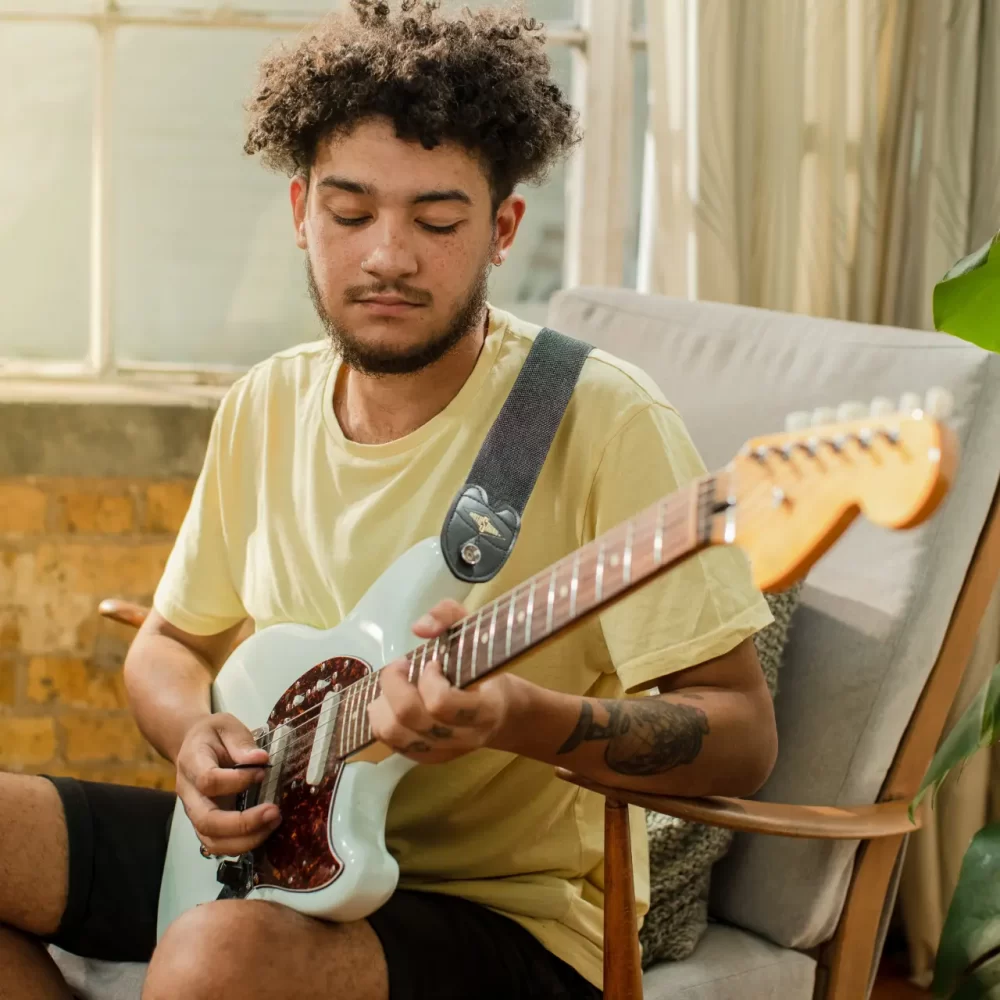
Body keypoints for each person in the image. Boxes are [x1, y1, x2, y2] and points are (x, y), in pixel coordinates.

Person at [0, 3, 778, 998]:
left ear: (501, 228)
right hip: (272, 849)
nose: (388, 257)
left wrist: (512, 714)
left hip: (508, 914)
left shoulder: (601, 420)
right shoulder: (265, 404)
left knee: (215, 956)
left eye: (438, 219)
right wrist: (194, 737)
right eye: (351, 212)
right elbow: (167, 642)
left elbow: (741, 738)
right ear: (299, 213)